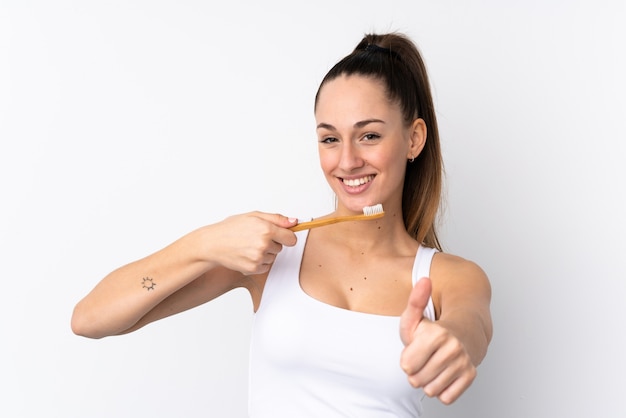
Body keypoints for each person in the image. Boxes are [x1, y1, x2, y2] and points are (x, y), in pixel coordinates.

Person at [72, 32, 493, 417]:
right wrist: (205, 243)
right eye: (330, 138)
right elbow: (91, 319)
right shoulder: (273, 256)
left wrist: (452, 341)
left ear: (414, 139)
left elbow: (471, 327)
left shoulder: (450, 277)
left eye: (369, 136)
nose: (347, 161)